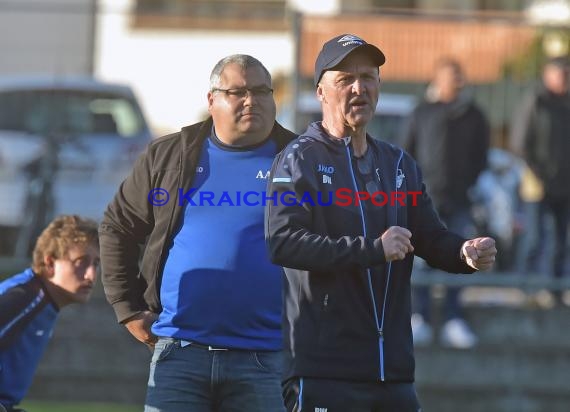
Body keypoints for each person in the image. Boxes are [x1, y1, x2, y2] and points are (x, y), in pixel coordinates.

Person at [265, 34, 497, 412]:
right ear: (321, 91)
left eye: (369, 77)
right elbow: (283, 242)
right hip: (324, 370)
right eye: (345, 80)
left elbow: (428, 235)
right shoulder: (298, 160)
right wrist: (373, 249)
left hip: (392, 372)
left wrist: (462, 252)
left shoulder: (398, 163)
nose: (359, 88)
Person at [99, 54, 295, 412]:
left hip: (265, 357)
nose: (251, 100)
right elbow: (118, 227)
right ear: (212, 100)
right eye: (238, 92)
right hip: (179, 352)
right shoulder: (170, 156)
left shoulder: (299, 160)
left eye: (262, 91)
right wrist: (128, 309)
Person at [401, 58, 490, 348]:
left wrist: (467, 182)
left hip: (460, 199)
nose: (455, 82)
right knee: (421, 262)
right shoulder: (421, 112)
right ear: (437, 80)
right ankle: (420, 317)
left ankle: (454, 318)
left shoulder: (474, 114)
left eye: (458, 77)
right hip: (425, 200)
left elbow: (481, 154)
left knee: (463, 256)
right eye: (449, 77)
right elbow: (406, 152)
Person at [0, 215, 99, 412]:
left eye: (96, 263)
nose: (91, 275)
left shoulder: (41, 300)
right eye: (81, 262)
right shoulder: (24, 297)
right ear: (50, 263)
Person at [510, 56, 570, 305]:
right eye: (560, 74)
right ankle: (524, 289)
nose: (564, 79)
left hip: (565, 184)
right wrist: (539, 172)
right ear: (547, 74)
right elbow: (520, 143)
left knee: (560, 240)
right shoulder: (535, 102)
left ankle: (554, 291)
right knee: (534, 236)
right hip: (538, 182)